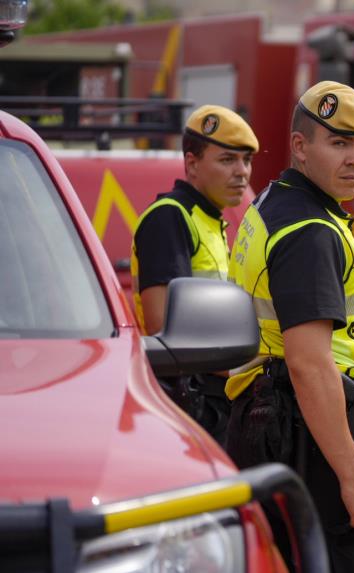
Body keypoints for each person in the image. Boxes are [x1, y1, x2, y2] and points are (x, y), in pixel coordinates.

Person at [226, 81, 354, 572]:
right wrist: (352, 475)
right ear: (300, 147)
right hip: (306, 440)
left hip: (280, 425)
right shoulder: (310, 232)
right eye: (339, 143)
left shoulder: (273, 205)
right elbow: (308, 364)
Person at [131, 104, 258, 445]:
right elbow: (163, 329)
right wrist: (247, 368)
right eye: (227, 160)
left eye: (247, 160)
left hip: (213, 400)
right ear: (192, 164)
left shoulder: (212, 221)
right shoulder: (170, 217)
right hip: (187, 404)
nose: (242, 172)